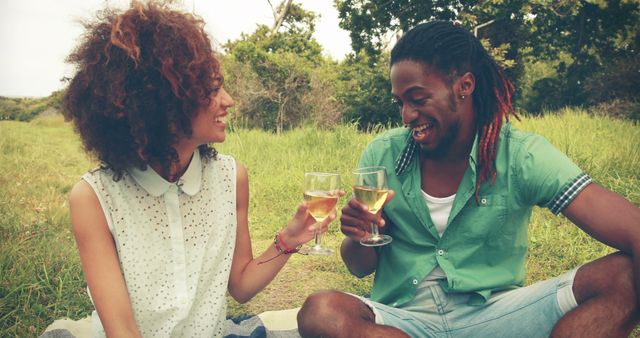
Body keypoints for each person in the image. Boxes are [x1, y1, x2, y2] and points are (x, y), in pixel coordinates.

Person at [297, 21, 640, 338]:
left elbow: (633, 228)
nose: (407, 115)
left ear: (464, 86)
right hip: (404, 321)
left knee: (624, 276)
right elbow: (358, 268)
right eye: (400, 102)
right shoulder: (382, 155)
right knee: (321, 312)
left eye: (417, 99)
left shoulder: (521, 155)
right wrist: (360, 236)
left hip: (496, 315)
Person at [63, 2, 335, 337]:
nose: (229, 100)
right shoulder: (94, 197)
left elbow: (241, 286)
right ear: (163, 99)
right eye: (211, 89)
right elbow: (121, 330)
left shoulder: (231, 177)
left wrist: (289, 240)